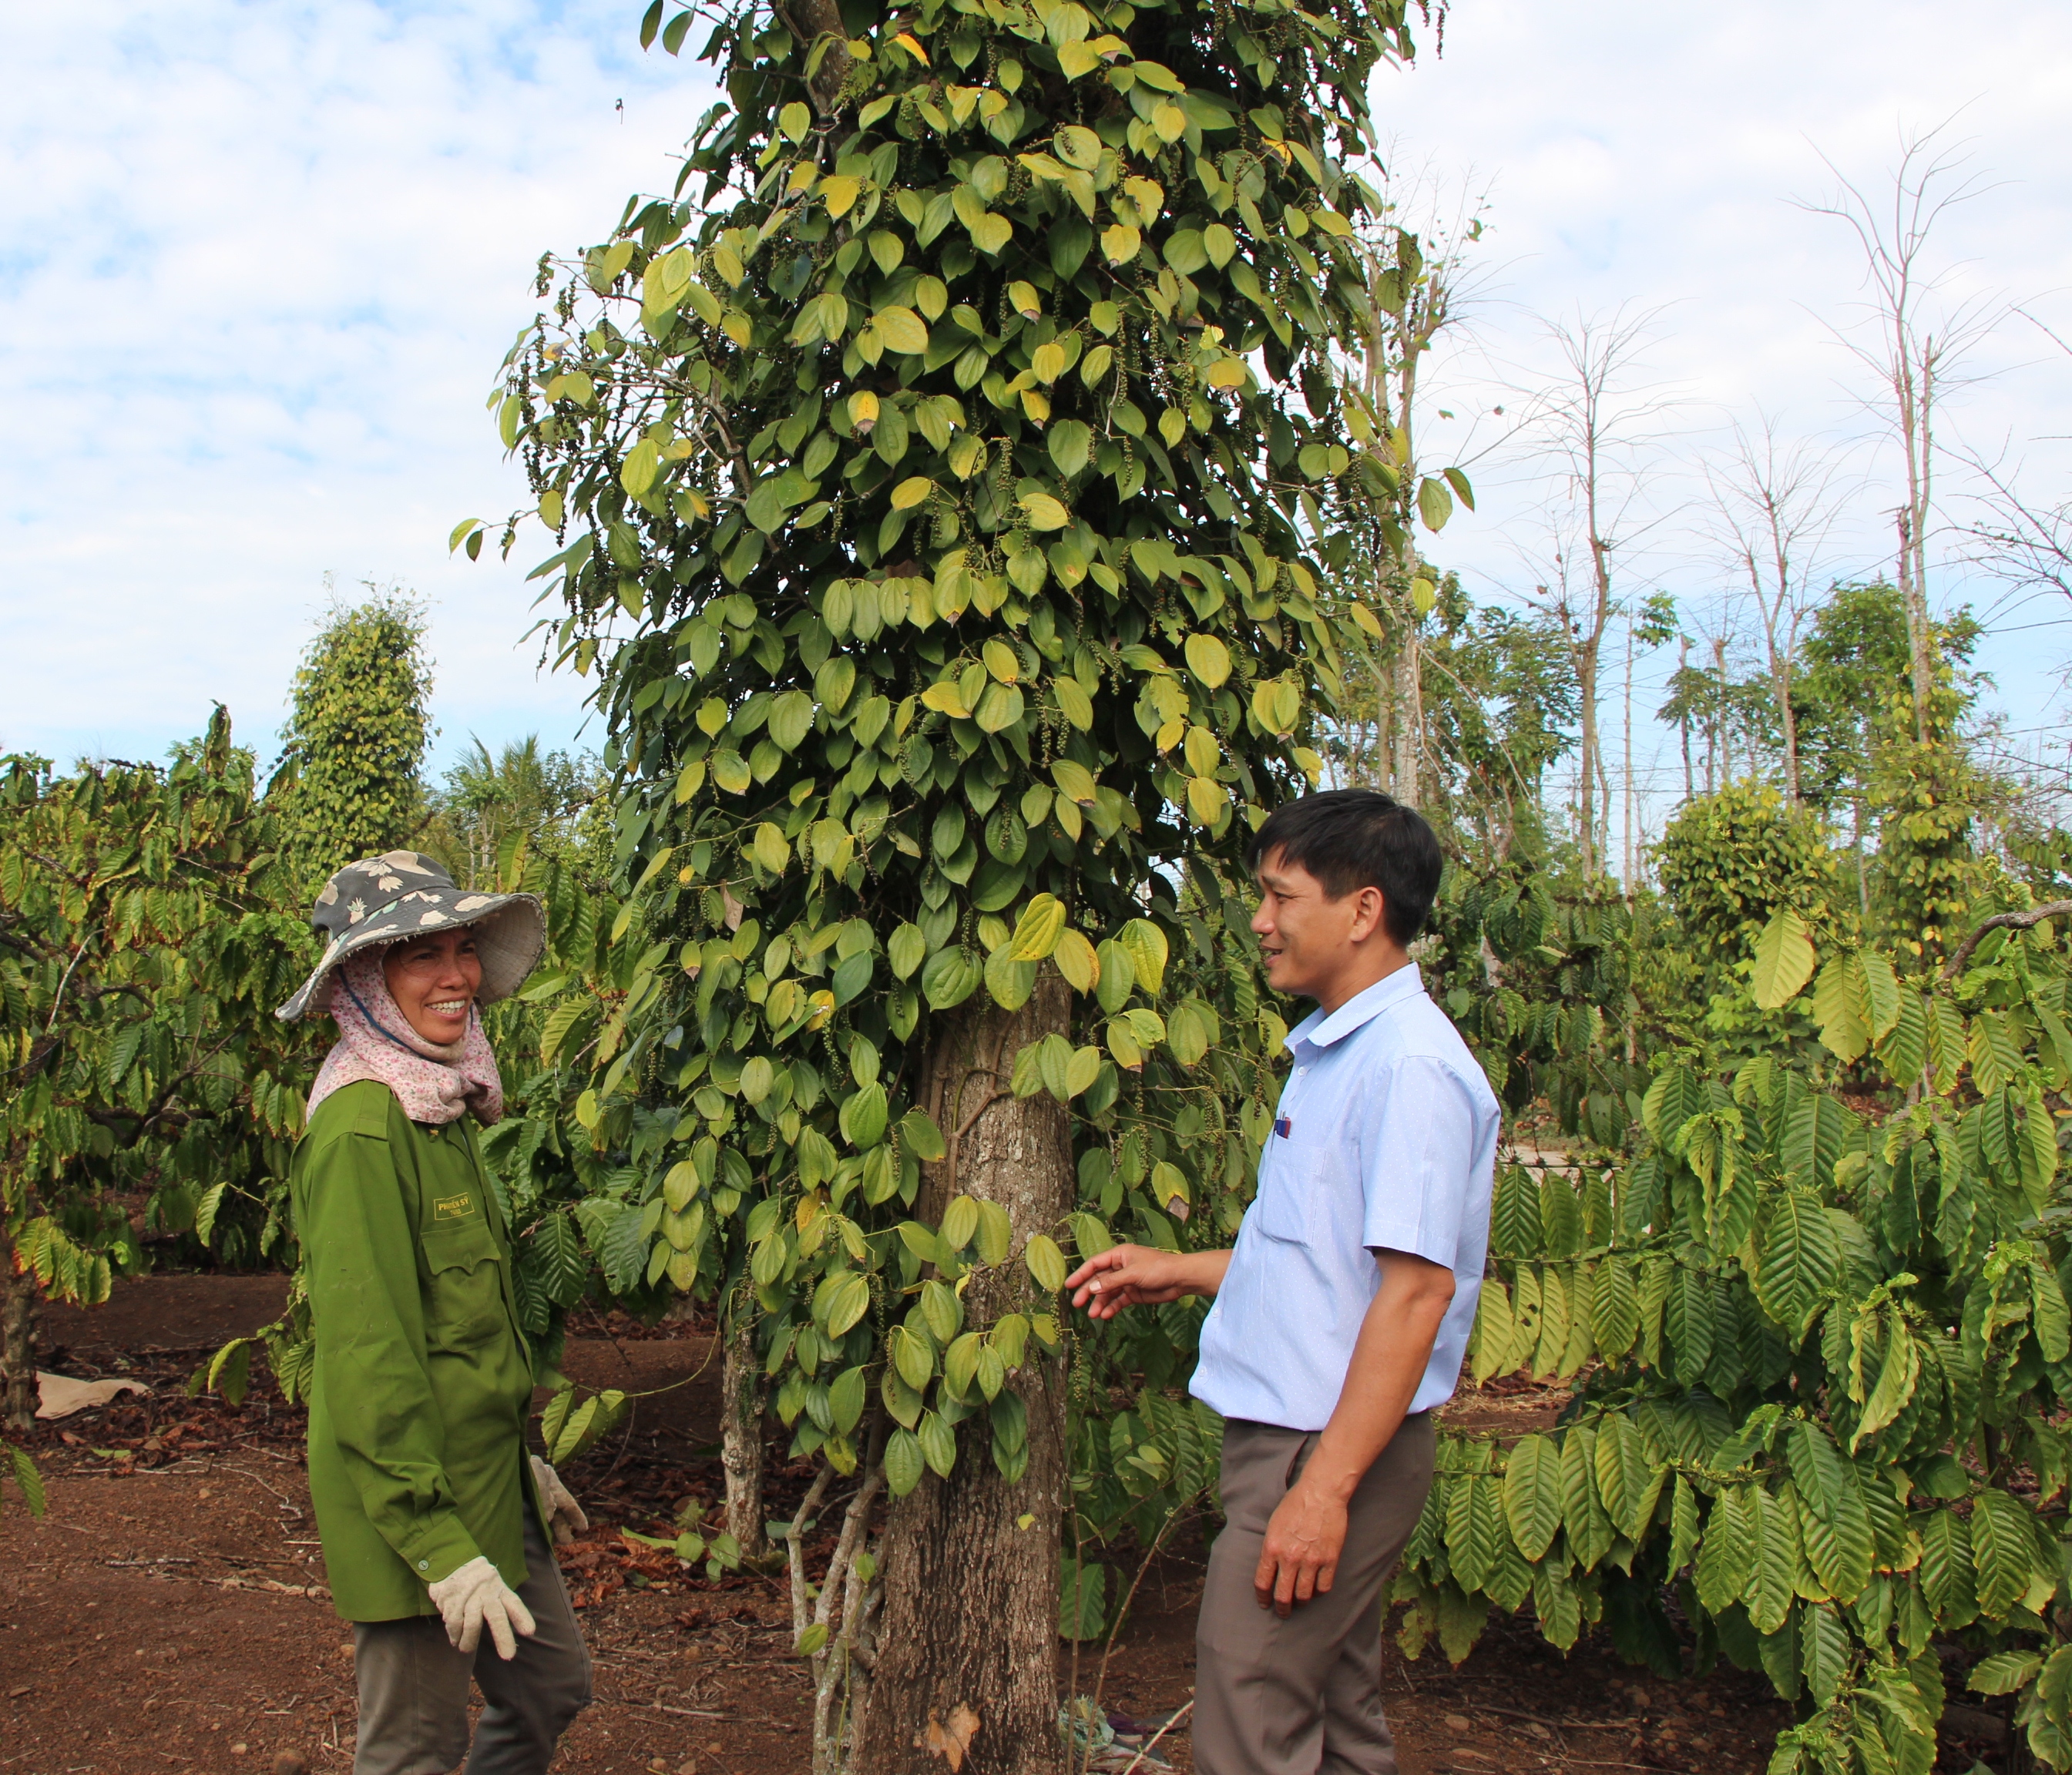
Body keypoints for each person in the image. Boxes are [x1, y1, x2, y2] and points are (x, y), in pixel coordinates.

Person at [1064, 790, 1499, 1775]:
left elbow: (1416, 1295)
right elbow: (1330, 1264)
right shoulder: (1340, 1052)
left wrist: (1322, 1491)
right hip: (1311, 1439)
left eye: (1279, 895)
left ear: (1362, 910)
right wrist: (1182, 1269)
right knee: (1335, 1723)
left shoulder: (1408, 1069)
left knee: (1248, 1725)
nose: (1259, 921)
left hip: (1325, 1447)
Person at [277, 851, 594, 1775]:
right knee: (415, 1749)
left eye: (461, 949)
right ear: (363, 982)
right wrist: (439, 1548)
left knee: (547, 1689)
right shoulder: (364, 1127)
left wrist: (521, 1456)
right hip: (417, 1508)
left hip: (486, 1475)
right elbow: (369, 1360)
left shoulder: (440, 1102)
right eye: (421, 956)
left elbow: (465, 1325)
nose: (457, 976)